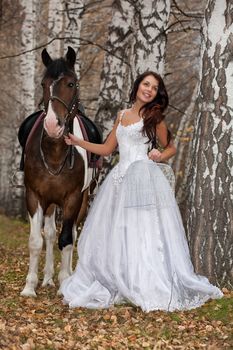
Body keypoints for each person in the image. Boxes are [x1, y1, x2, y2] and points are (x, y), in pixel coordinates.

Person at [61, 71, 223, 312]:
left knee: (143, 230)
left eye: (154, 87)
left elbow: (171, 148)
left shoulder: (153, 116)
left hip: (142, 177)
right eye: (146, 84)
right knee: (118, 230)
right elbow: (106, 149)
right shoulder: (122, 115)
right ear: (137, 86)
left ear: (157, 93)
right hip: (119, 180)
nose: (149, 89)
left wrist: (159, 154)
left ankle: (144, 282)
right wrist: (77, 142)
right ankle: (120, 279)